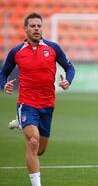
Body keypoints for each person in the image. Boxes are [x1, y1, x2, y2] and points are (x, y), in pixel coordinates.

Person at [0, 13, 75, 186]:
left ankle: (21, 123)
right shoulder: (16, 52)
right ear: (25, 29)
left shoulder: (53, 48)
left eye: (39, 26)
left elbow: (70, 69)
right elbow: (3, 73)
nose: (36, 29)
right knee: (33, 141)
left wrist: (67, 81)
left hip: (48, 104)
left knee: (40, 150)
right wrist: (4, 84)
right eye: (32, 26)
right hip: (27, 103)